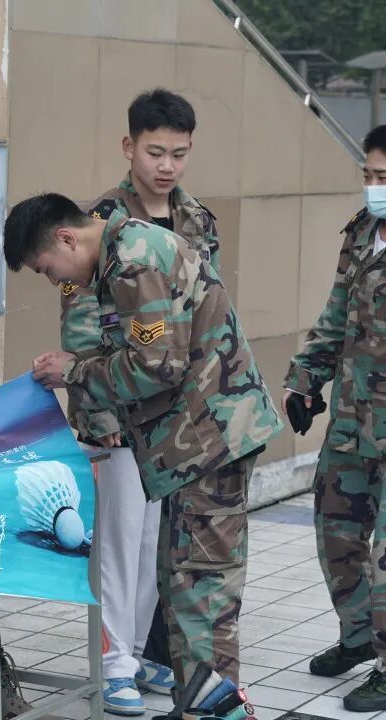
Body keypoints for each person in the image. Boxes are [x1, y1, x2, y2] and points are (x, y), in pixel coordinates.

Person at [3, 193, 282, 699]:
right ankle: (198, 702)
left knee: (203, 593)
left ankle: (217, 708)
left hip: (207, 444)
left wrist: (74, 371)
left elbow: (158, 366)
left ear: (66, 239)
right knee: (184, 586)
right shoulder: (122, 252)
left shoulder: (133, 261)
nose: (54, 281)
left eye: (46, 269)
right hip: (194, 445)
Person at [61, 89, 218, 715]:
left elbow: (206, 309)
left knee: (157, 542)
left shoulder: (198, 219)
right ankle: (111, 663)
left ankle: (134, 653)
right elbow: (80, 323)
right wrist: (96, 412)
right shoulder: (96, 221)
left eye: (179, 153)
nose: (167, 166)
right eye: (155, 152)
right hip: (118, 411)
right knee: (117, 541)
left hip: (176, 412)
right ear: (129, 147)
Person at [282, 124, 386, 713]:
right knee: (336, 530)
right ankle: (358, 635)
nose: (374, 187)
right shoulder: (363, 231)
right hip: (353, 418)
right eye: (368, 175)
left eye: (384, 177)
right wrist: (305, 379)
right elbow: (337, 312)